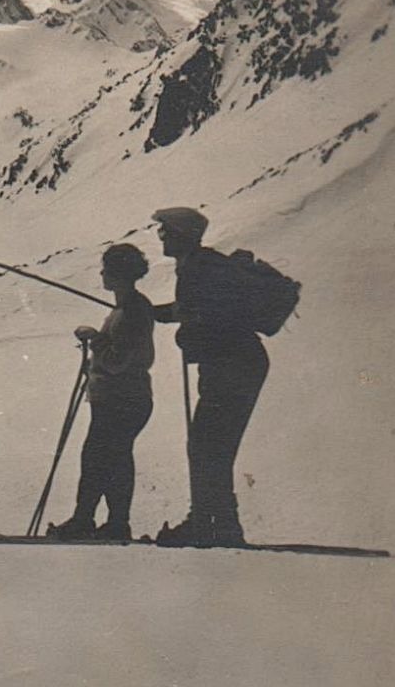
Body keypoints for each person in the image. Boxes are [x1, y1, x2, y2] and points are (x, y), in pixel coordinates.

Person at [148, 206, 268, 548]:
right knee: (210, 445)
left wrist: (186, 335)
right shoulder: (199, 266)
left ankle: (211, 524)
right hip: (237, 365)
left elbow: (211, 317)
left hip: (234, 366)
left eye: (165, 232)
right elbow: (197, 309)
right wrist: (165, 314)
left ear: (181, 236)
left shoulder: (200, 268)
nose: (161, 238)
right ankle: (216, 523)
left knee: (207, 445)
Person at [48, 244, 156, 543]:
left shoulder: (131, 311)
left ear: (119, 274)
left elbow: (117, 362)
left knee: (100, 458)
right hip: (122, 398)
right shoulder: (127, 307)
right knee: (111, 458)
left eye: (107, 269)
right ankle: (110, 522)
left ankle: (91, 521)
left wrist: (94, 339)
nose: (102, 273)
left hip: (121, 399)